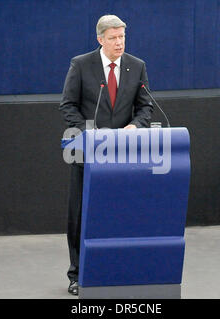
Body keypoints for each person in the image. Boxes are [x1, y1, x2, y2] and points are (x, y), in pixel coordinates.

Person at [59, 14, 153, 295]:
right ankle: (77, 275)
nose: (119, 43)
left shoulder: (137, 67)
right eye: (113, 38)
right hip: (88, 151)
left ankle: (117, 270)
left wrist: (135, 126)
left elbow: (146, 106)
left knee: (120, 213)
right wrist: (90, 132)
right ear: (100, 39)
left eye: (122, 37)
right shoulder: (81, 65)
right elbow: (67, 106)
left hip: (124, 153)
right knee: (81, 213)